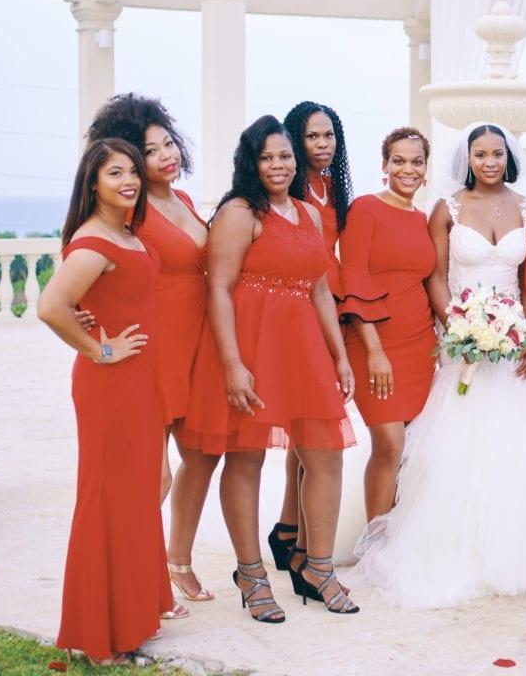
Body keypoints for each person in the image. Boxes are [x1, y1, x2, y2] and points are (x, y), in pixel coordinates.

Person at [351, 123, 526, 608]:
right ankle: (438, 547)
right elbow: (436, 277)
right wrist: (457, 326)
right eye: (480, 154)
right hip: (462, 343)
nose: (489, 162)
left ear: (509, 157)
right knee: (452, 449)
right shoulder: (448, 208)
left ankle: (518, 553)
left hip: (512, 343)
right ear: (468, 159)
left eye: (497, 153)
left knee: (516, 449)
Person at [180, 115, 358, 619]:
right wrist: (233, 365)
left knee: (326, 454)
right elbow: (218, 288)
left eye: (284, 156)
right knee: (247, 457)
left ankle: (317, 567)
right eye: (266, 157)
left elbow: (321, 289)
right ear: (250, 162)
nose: (277, 165)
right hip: (251, 347)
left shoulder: (307, 212)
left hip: (302, 347)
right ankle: (252, 573)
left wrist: (339, 356)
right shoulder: (239, 212)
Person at [38, 138, 179, 665]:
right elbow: (51, 305)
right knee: (109, 500)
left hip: (141, 380)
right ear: (91, 182)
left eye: (132, 172)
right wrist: (100, 348)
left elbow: (97, 300)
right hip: (111, 385)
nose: (128, 180)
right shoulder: (94, 240)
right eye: (114, 172)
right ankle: (101, 636)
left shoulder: (123, 231)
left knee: (141, 491)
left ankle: (134, 613)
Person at [86, 94, 218, 603]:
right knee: (151, 473)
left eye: (169, 143)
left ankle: (176, 560)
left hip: (198, 340)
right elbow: (85, 248)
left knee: (204, 453)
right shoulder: (127, 205)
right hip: (155, 343)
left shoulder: (182, 201)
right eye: (150, 149)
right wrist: (94, 329)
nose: (166, 154)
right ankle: (133, 580)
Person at [268, 102, 355, 579]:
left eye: (329, 136)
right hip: (301, 305)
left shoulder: (331, 186)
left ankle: (290, 529)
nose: (322, 145)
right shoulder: (289, 187)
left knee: (309, 432)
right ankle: (292, 534)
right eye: (312, 137)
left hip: (332, 303)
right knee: (308, 429)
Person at [339, 127, 437, 521]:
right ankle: (375, 541)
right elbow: (354, 278)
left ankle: (400, 538)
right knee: (389, 443)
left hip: (419, 344)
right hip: (373, 342)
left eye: (417, 162)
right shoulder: (364, 209)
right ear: (384, 165)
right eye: (399, 160)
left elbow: (428, 281)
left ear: (426, 169)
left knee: (412, 447)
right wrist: (375, 351)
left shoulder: (422, 218)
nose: (408, 169)